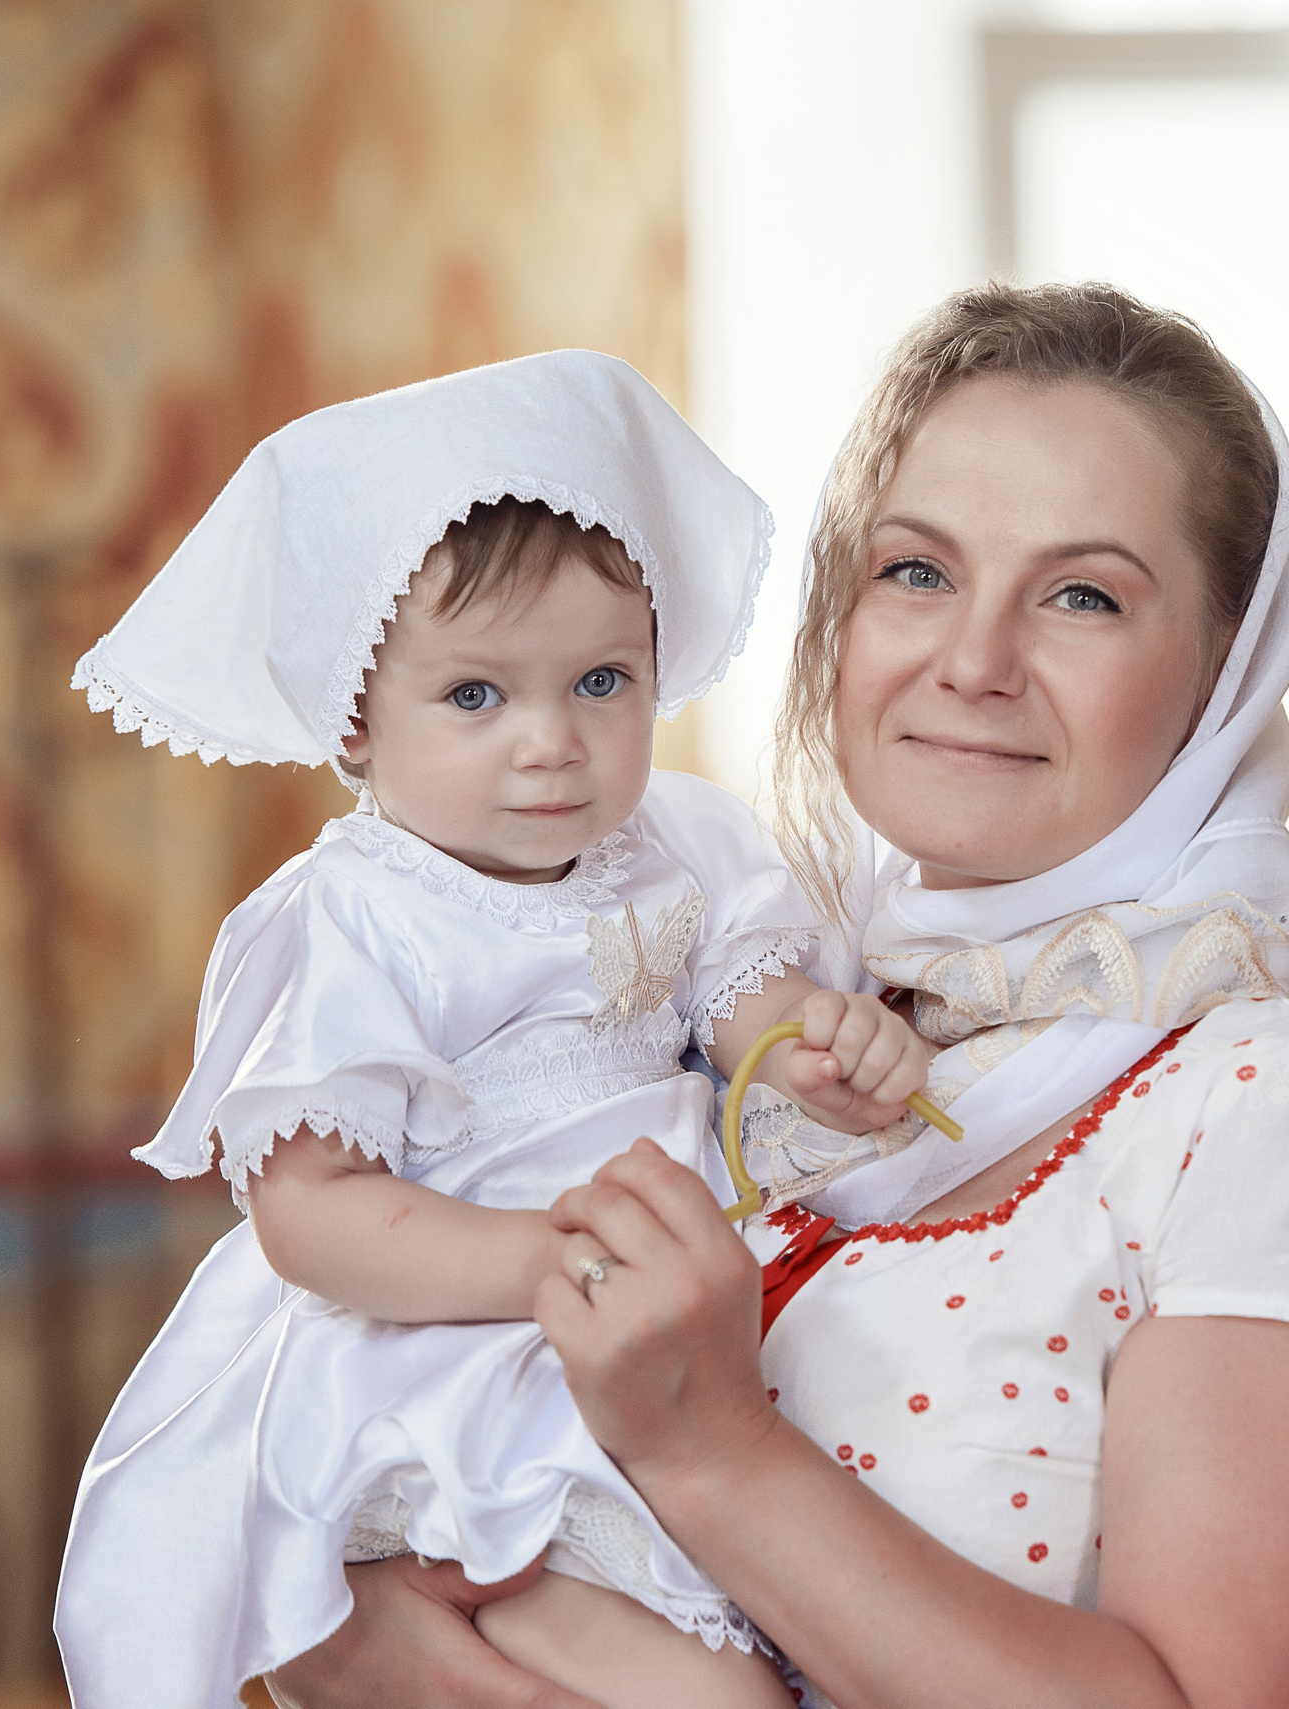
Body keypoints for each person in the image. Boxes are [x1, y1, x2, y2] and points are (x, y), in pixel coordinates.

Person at [265, 284, 1289, 1709]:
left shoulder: (1272, 1093)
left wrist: (713, 1455)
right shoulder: (774, 1008)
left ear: (1225, 669)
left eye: (1083, 594)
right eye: (914, 571)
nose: (971, 661)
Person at [53, 352, 937, 1709]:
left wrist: (833, 1052)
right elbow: (310, 1215)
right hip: (447, 1355)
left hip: (671, 1318)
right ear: (357, 714)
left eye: (600, 682)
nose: (552, 744)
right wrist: (548, 1259)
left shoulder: (681, 846)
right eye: (478, 696)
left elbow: (757, 1023)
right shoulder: (352, 917)